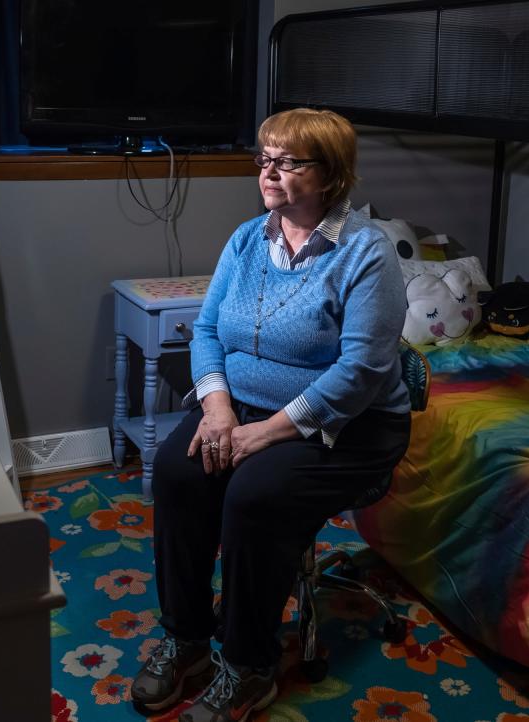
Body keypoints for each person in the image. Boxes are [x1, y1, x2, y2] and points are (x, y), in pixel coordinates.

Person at [131, 108, 412, 722]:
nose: (269, 172)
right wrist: (218, 408)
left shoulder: (366, 254)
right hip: (243, 408)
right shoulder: (247, 238)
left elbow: (361, 372)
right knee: (180, 475)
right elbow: (206, 329)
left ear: (331, 174)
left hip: (351, 425)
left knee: (254, 494)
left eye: (288, 162)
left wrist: (267, 432)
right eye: (264, 158)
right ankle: (186, 642)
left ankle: (247, 666)